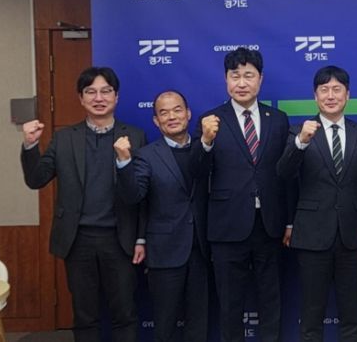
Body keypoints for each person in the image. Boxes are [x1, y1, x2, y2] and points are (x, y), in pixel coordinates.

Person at [20, 66, 146, 342]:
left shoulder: (135, 136)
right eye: (91, 92)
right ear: (81, 98)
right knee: (84, 316)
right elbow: (36, 179)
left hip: (120, 239)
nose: (98, 98)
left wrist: (141, 237)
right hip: (78, 240)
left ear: (116, 96)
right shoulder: (65, 138)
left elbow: (142, 195)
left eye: (105, 91)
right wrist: (30, 146)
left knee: (125, 314)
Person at [276, 66, 357, 342]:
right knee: (312, 314)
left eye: (336, 90)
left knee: (351, 313)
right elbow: (283, 174)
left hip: (352, 236)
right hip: (312, 235)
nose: (330, 96)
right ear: (315, 96)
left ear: (348, 95)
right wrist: (300, 143)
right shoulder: (299, 131)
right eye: (324, 90)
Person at [197, 47, 291, 342]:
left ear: (260, 79)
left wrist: (288, 221)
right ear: (226, 79)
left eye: (248, 75)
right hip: (227, 225)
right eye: (234, 75)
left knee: (271, 300)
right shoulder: (211, 119)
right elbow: (197, 173)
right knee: (230, 304)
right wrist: (205, 142)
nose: (241, 82)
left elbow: (286, 174)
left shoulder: (278, 119)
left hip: (269, 224)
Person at [115, 90, 210, 342]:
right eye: (164, 113)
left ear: (188, 114)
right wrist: (124, 163)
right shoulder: (146, 155)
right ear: (156, 121)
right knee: (165, 325)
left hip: (201, 251)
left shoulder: (205, 148)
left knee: (198, 324)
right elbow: (133, 196)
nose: (172, 117)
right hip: (165, 252)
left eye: (177, 110)